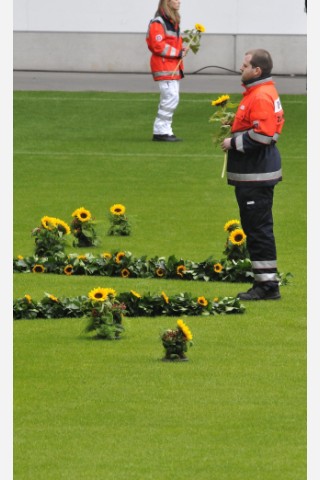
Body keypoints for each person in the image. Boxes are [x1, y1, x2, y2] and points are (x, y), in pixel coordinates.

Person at [221, 49, 285, 300]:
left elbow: (263, 135)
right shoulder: (263, 92)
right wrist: (236, 127)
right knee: (258, 228)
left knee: (258, 230)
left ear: (257, 70)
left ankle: (267, 286)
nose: (240, 67)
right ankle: (265, 282)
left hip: (256, 175)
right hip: (257, 172)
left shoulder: (259, 96)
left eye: (245, 65)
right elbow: (272, 126)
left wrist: (233, 142)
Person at [146, 0, 187, 142]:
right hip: (165, 66)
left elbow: (169, 44)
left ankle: (164, 130)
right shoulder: (158, 22)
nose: (179, 1)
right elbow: (157, 45)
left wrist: (180, 51)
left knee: (171, 98)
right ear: (167, 2)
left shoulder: (171, 21)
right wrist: (177, 52)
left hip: (171, 66)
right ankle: (161, 131)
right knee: (170, 98)